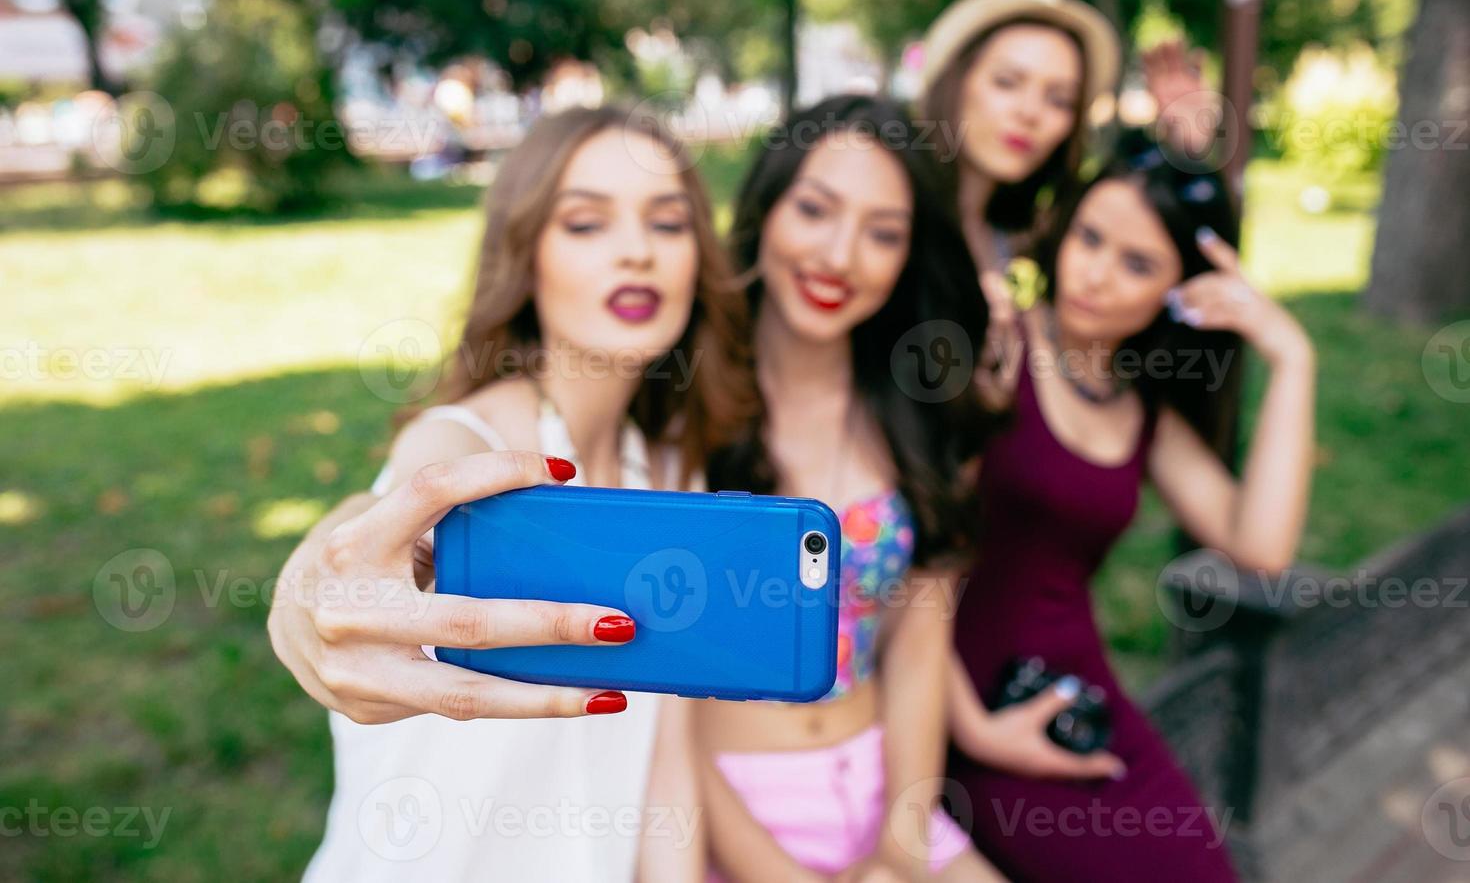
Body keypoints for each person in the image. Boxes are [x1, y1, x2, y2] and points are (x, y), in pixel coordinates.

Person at [268, 105, 760, 880]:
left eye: (667, 224)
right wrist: (309, 588)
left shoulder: (670, 472)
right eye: (587, 224)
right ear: (526, 254)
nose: (636, 252)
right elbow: (389, 508)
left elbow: (666, 763)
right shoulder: (474, 446)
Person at [945, 140, 1316, 882]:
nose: (1096, 274)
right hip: (960, 705)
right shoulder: (993, 350)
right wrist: (976, 732)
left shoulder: (1140, 410)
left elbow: (1262, 544)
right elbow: (911, 561)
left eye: (1138, 264)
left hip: (1073, 697)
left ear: (1180, 290)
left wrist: (1292, 357)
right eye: (1090, 238)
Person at [695, 95, 1002, 882]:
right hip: (720, 815)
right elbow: (649, 708)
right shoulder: (679, 412)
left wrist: (899, 849)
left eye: (883, 233)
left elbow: (917, 644)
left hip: (886, 793)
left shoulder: (913, 411)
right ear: (765, 208)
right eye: (815, 210)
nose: (840, 255)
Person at [917, 0, 1216, 408]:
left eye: (1059, 100)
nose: (1029, 112)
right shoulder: (894, 211)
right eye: (1007, 82)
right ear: (957, 80)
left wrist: (1186, 152)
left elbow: (1147, 237)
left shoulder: (1012, 235)